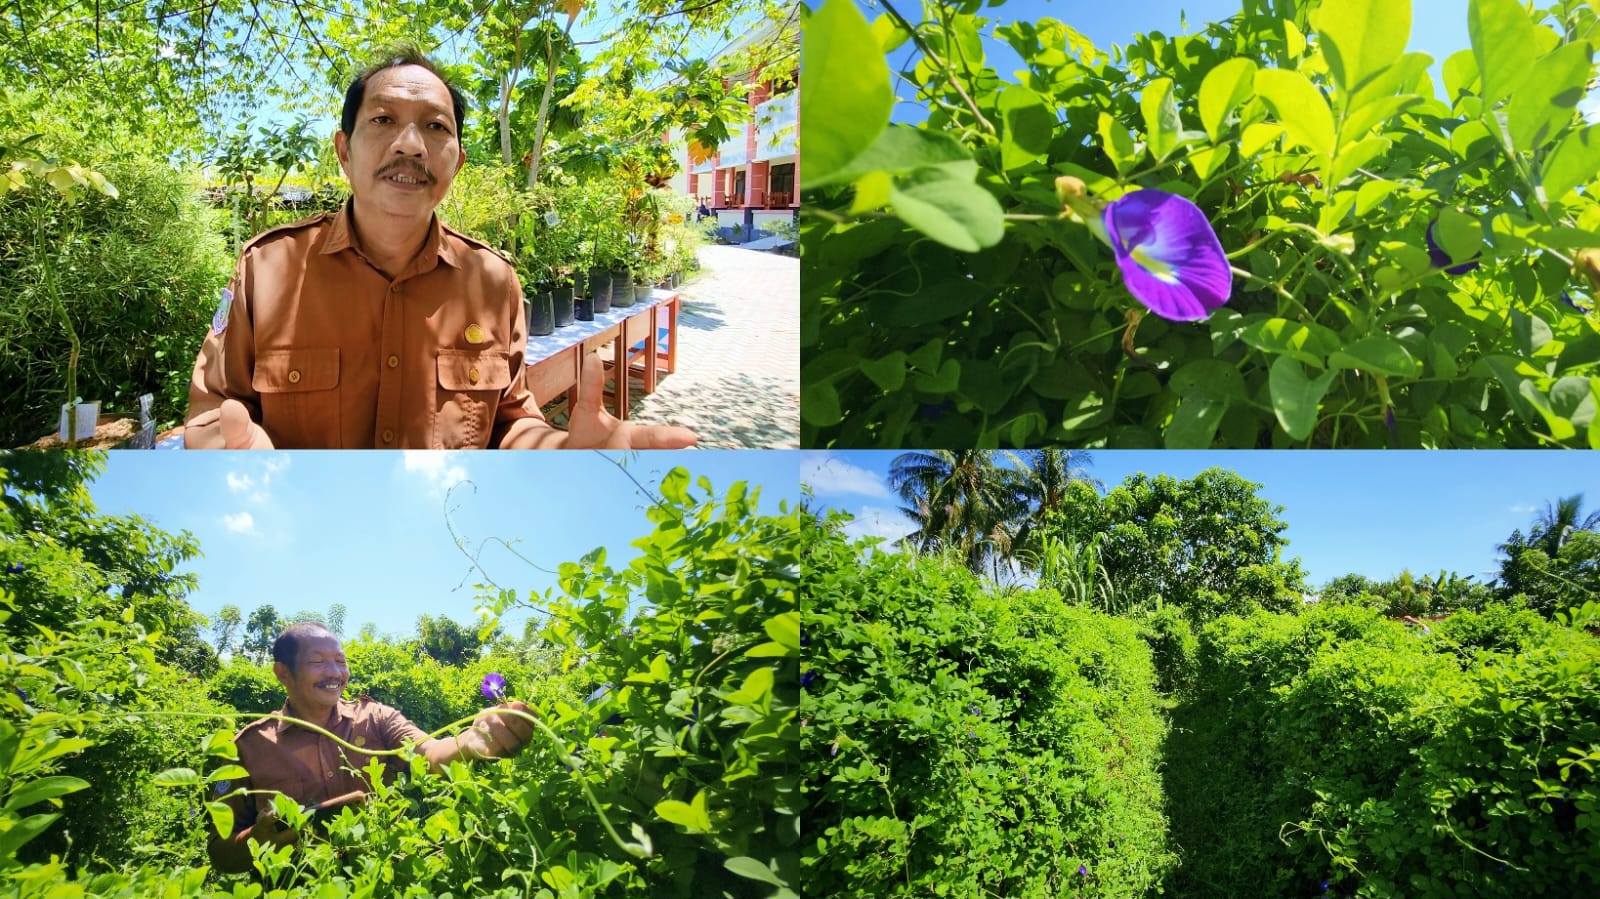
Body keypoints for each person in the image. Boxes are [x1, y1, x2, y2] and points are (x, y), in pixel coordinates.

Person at [185, 45, 697, 450]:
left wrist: (558, 453)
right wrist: (230, 452)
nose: (410, 144)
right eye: (383, 119)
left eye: (435, 126)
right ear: (344, 150)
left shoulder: (493, 282)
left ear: (456, 162)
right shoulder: (267, 269)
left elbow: (510, 423)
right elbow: (213, 410)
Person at [206, 623, 533, 874]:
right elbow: (219, 854)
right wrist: (256, 840)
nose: (334, 672)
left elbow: (430, 755)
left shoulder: (376, 717)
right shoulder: (247, 748)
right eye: (317, 662)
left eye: (339, 661)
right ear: (283, 673)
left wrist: (471, 742)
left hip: (385, 880)